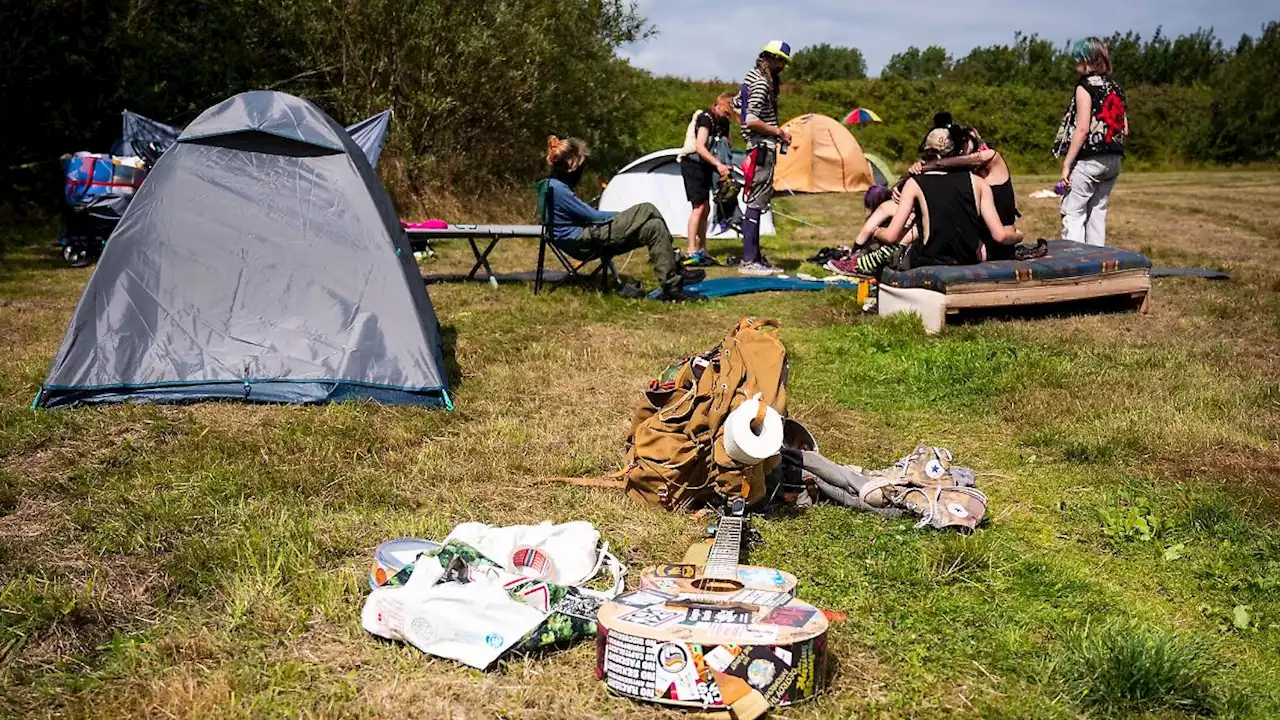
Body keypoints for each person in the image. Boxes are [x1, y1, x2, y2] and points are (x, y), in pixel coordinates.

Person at [544, 136, 705, 301]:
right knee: (647, 208)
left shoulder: (552, 185)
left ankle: (671, 285)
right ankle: (677, 264)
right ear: (571, 166)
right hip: (581, 242)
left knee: (654, 227)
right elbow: (591, 215)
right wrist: (622, 216)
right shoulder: (558, 189)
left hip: (582, 238)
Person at [861, 129, 1022, 275]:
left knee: (902, 246)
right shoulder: (978, 183)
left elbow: (890, 236)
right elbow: (1000, 235)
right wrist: (1017, 235)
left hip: (929, 259)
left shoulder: (915, 183)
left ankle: (873, 259)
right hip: (968, 257)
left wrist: (876, 230)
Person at [1054, 37, 1128, 247]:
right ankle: (1098, 263)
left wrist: (1067, 164)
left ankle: (1074, 263)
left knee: (1073, 211)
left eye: (1078, 59)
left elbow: (1082, 128)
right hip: (1114, 158)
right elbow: (1125, 127)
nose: (1075, 64)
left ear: (1089, 60)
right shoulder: (1116, 88)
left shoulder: (1085, 87)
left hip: (1090, 160)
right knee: (1097, 212)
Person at [910, 121, 1020, 260]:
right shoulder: (961, 175)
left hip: (1000, 239)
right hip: (974, 242)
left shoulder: (993, 160)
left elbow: (985, 156)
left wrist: (929, 165)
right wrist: (917, 169)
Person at [734, 41, 792, 276]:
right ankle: (749, 261)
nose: (783, 67)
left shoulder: (751, 77)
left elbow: (736, 105)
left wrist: (746, 133)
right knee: (756, 203)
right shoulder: (761, 83)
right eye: (782, 62)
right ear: (774, 59)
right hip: (762, 148)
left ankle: (754, 257)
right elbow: (751, 118)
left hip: (755, 145)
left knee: (756, 201)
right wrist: (778, 132)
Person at [678, 92, 735, 267]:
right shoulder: (705, 118)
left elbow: (726, 144)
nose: (729, 114)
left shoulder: (724, 121)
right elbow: (700, 147)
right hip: (693, 163)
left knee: (707, 207)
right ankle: (691, 249)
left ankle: (703, 248)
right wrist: (718, 164)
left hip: (707, 165)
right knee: (698, 206)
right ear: (720, 104)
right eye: (728, 110)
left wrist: (727, 164)